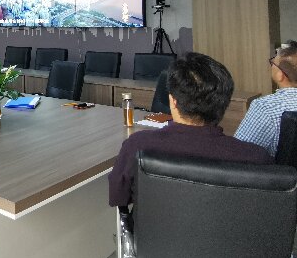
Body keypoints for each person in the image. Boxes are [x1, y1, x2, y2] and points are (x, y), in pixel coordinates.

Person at [108, 52, 272, 209]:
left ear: (172, 101)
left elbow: (117, 196)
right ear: (224, 104)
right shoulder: (256, 157)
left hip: (155, 228)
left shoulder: (138, 145)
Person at [235, 43, 297, 156]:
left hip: (279, 168)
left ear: (280, 75)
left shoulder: (265, 107)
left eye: (273, 63)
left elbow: (240, 152)